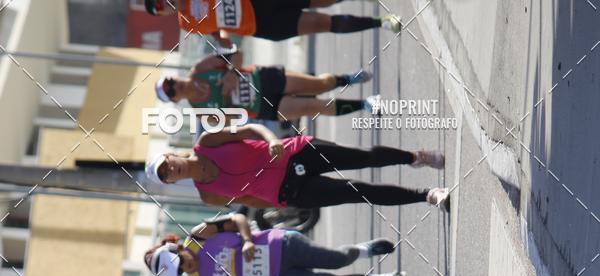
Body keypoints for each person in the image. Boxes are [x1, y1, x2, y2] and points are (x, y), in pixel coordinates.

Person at [145, 123, 450, 212]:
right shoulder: (208, 197)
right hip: (290, 191)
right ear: (171, 183)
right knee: (358, 192)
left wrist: (271, 139)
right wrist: (280, 204)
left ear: (172, 155)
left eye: (166, 166)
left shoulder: (208, 140)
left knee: (364, 157)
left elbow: (249, 130)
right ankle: (426, 195)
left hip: (295, 154)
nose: (171, 171)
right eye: (166, 176)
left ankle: (414, 157)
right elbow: (249, 201)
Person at [145, 213, 406, 276]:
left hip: (280, 246)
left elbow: (238, 219)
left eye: (181, 260)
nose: (186, 265)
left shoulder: (200, 235)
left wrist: (247, 241)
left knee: (337, 259)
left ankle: (363, 250)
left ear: (176, 247)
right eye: (180, 271)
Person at [156, 51, 378, 122]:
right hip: (262, 107)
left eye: (171, 82)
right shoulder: (202, 112)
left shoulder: (201, 67)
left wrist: (232, 74)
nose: (176, 86)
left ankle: (346, 79)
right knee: (314, 106)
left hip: (263, 78)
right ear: (176, 100)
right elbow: (238, 120)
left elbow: (238, 55)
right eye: (171, 91)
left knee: (320, 85)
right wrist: (226, 103)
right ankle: (363, 105)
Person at [144, 0, 402, 42]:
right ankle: (382, 22)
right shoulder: (186, 24)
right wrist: (225, 44)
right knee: (322, 24)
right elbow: (215, 31)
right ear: (162, 15)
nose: (161, 4)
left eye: (157, 0)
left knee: (321, 1)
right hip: (261, 27)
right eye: (157, 9)